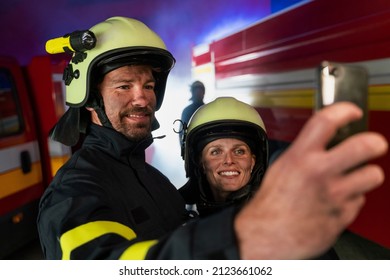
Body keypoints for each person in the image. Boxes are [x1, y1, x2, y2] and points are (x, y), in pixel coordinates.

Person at [37, 16, 388, 260]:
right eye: (123, 86)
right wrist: (244, 235)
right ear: (88, 95)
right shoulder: (76, 190)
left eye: (148, 85)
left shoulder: (152, 179)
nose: (142, 98)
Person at [180, 96, 390, 259]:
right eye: (216, 151)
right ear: (199, 162)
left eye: (240, 151)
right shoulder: (174, 223)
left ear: (254, 161)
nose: (229, 161)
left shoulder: (292, 227)